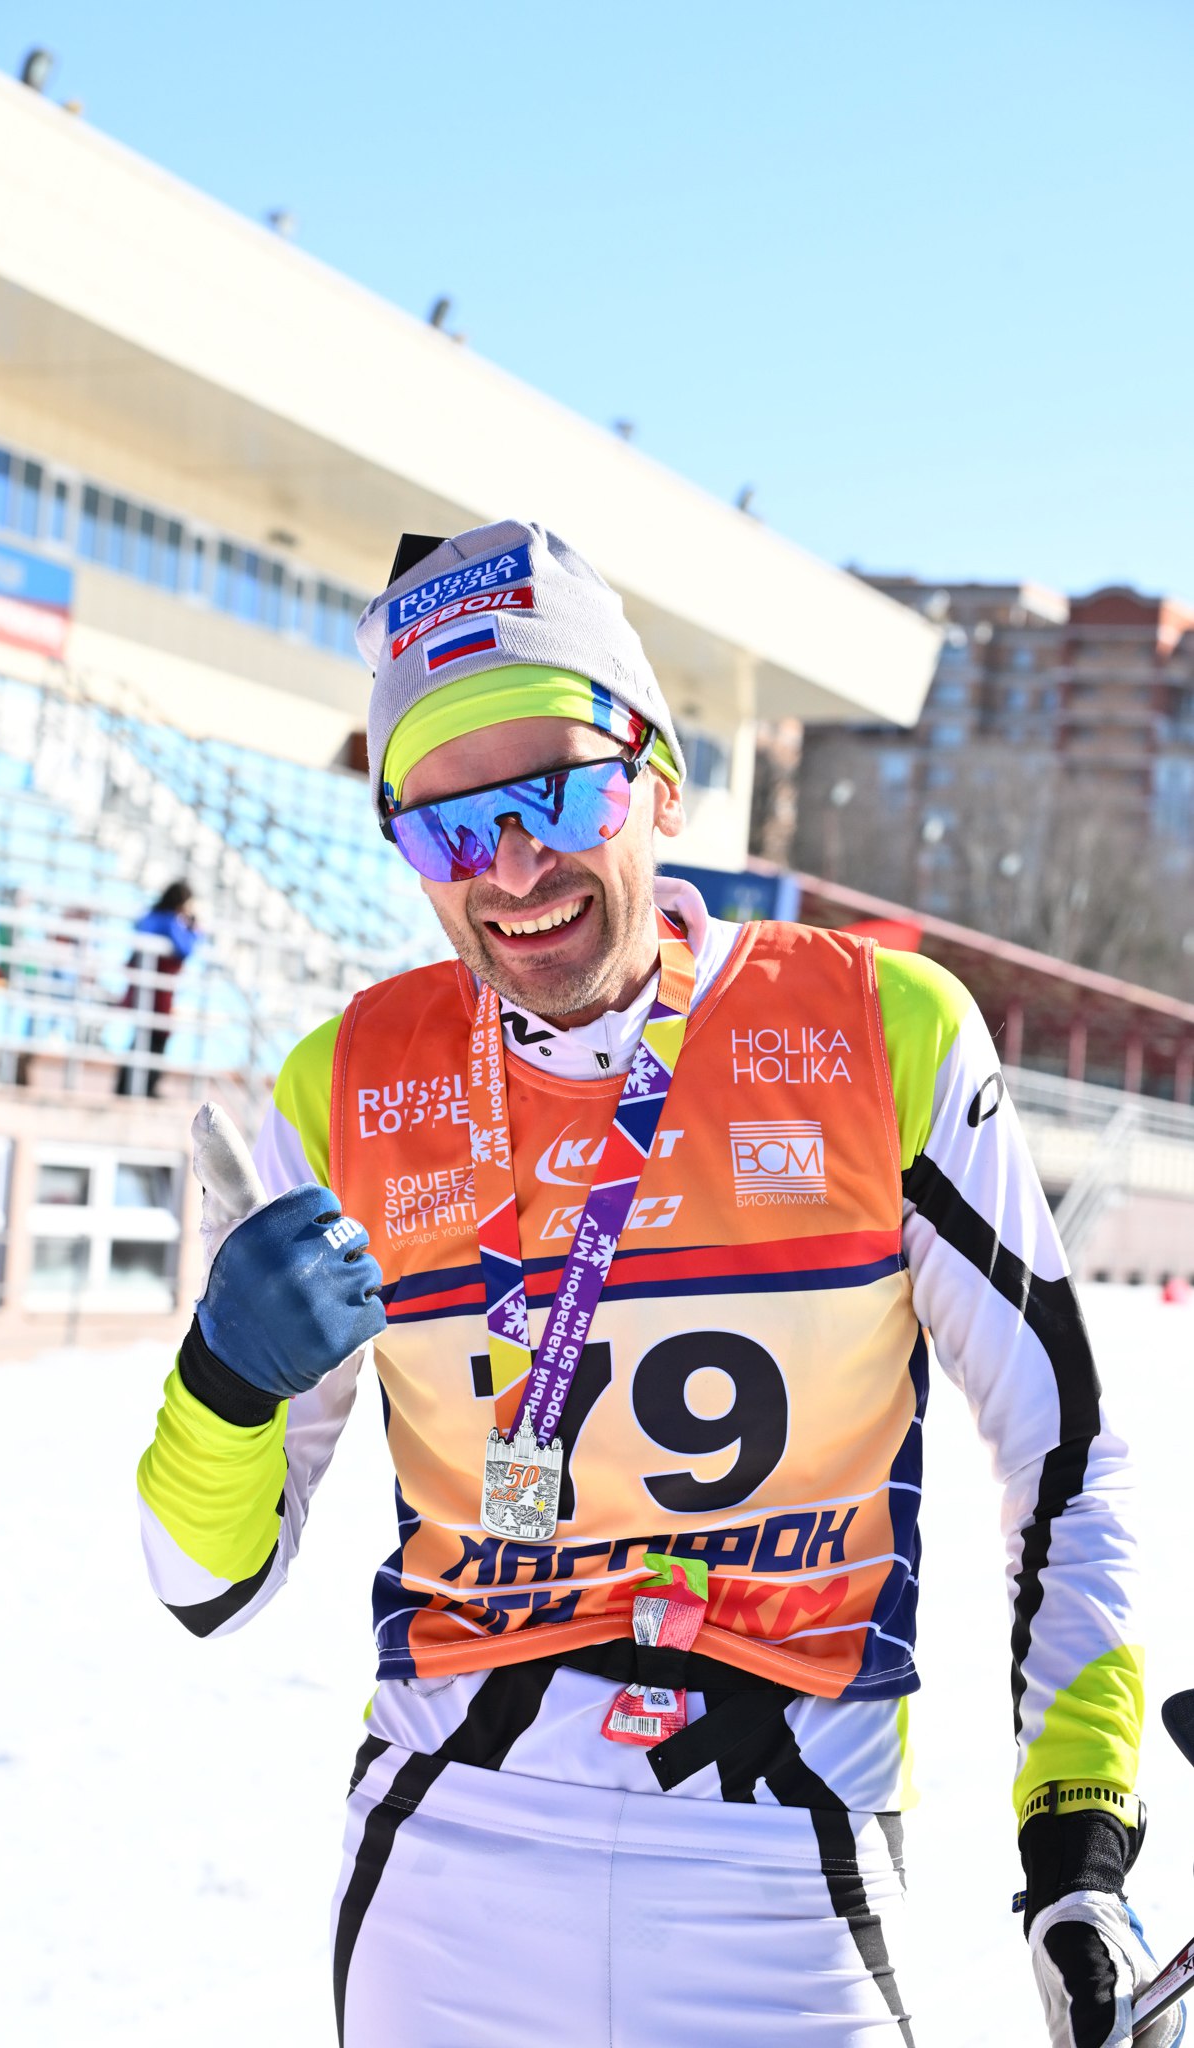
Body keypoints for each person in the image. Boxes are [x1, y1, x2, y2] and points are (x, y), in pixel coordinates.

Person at [136, 522, 1172, 2047]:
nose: (509, 869)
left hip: (783, 1862)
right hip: (448, 1858)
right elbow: (201, 1585)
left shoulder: (880, 1030)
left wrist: (1078, 1842)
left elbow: (1061, 1448)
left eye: (558, 791)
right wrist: (224, 1383)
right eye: (444, 828)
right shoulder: (343, 1082)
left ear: (661, 779)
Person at [115, 880, 201, 1098]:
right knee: (158, 1033)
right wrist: (194, 930)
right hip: (157, 988)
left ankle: (126, 1086)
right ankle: (144, 1087)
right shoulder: (169, 921)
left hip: (143, 983)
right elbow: (185, 949)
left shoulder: (151, 916)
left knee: (143, 1035)